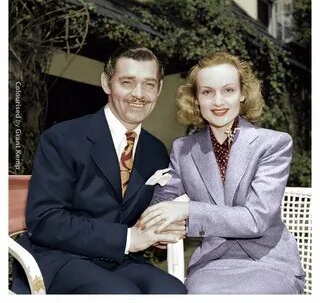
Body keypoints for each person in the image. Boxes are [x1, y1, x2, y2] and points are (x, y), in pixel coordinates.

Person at [12, 45, 187, 294]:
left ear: (158, 89)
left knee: (173, 291)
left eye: (149, 84)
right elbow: (45, 221)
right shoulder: (62, 138)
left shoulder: (156, 150)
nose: (139, 94)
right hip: (60, 258)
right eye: (127, 82)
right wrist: (128, 239)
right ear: (107, 83)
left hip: (118, 260)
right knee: (120, 295)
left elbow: (136, 216)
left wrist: (159, 229)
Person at [139, 51, 305, 294]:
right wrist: (161, 229)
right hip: (212, 265)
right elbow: (161, 205)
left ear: (242, 94)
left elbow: (255, 221)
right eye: (207, 92)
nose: (218, 101)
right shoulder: (183, 150)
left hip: (270, 263)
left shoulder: (273, 144)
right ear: (196, 99)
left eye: (228, 90)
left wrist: (186, 210)